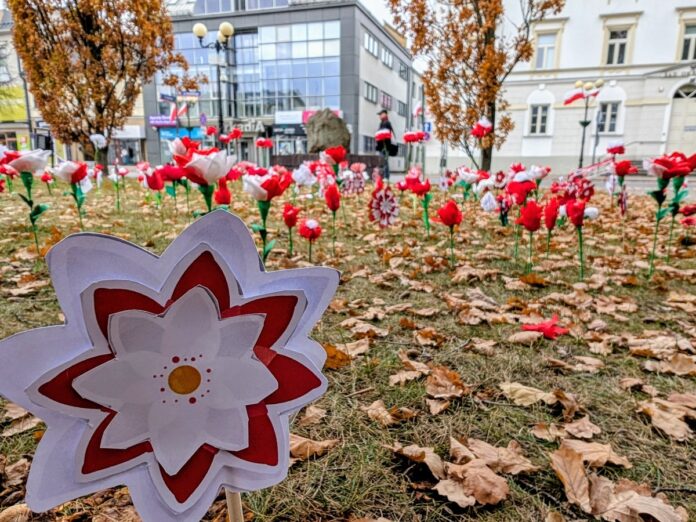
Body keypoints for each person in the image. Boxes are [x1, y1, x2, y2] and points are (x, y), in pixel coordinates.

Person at [376, 109, 396, 181]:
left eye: (381, 114)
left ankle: (386, 176)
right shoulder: (382, 123)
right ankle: (385, 176)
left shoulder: (386, 123)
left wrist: (386, 146)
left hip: (385, 146)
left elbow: (387, 135)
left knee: (385, 161)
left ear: (385, 114)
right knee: (384, 161)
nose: (380, 116)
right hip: (382, 146)